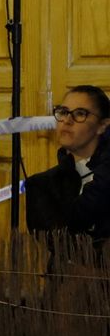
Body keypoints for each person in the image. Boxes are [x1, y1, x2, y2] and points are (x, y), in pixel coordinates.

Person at [27, 84, 110, 247]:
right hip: (68, 270)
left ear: (103, 126)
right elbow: (58, 241)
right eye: (63, 112)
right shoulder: (40, 184)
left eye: (80, 113)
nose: (67, 120)